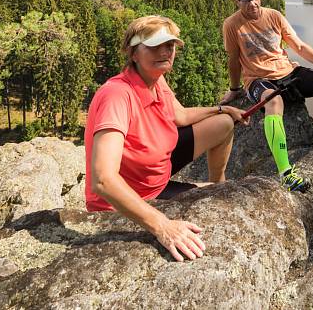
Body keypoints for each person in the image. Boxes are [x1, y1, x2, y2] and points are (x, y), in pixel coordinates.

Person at [85, 15, 249, 262]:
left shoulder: (156, 79)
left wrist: (222, 109)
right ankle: (214, 190)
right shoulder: (117, 95)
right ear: (133, 53)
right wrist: (162, 226)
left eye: (170, 45)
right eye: (154, 46)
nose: (165, 52)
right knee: (217, 197)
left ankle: (218, 184)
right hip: (133, 197)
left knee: (224, 125)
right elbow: (103, 180)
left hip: (155, 174)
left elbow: (180, 116)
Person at [219, 0, 313, 193]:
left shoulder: (274, 16)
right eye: (244, 1)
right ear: (236, 2)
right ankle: (286, 173)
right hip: (258, 80)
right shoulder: (231, 25)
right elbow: (233, 61)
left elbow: (298, 46)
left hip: (288, 72)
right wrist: (234, 90)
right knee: (274, 102)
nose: (251, 4)